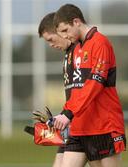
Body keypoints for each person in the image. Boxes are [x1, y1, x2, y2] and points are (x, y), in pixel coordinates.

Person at [53, 4, 126, 167]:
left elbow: (94, 84)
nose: (65, 36)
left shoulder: (100, 42)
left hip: (104, 126)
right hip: (79, 126)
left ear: (77, 22)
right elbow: (77, 90)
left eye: (66, 30)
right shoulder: (77, 49)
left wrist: (68, 113)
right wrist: (62, 115)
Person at [38, 12, 88, 167]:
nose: (51, 45)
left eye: (51, 39)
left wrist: (68, 115)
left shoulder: (81, 51)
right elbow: (74, 95)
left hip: (88, 125)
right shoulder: (69, 55)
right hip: (73, 125)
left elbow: (86, 90)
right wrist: (59, 118)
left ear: (59, 31)